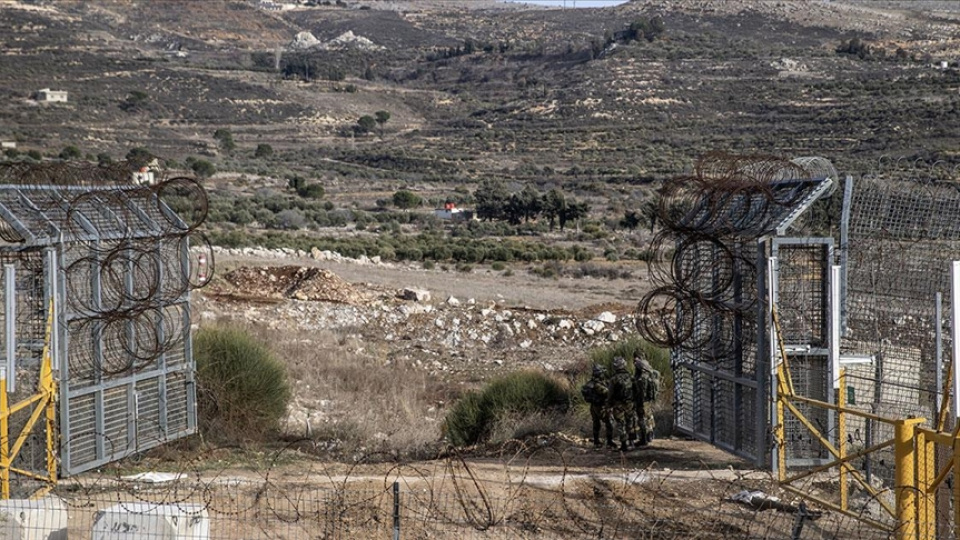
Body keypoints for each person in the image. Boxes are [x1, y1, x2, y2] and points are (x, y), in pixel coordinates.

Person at [633, 351, 662, 446]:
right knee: (649, 416)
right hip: (648, 398)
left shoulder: (640, 369)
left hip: (642, 399)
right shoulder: (648, 368)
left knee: (641, 418)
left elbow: (640, 389)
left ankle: (644, 438)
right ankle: (650, 434)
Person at [581, 364, 613, 448]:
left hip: (593, 406)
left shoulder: (591, 382)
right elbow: (607, 393)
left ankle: (596, 441)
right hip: (600, 406)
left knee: (596, 423)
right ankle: (609, 442)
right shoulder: (597, 385)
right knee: (609, 422)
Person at [608, 356, 635, 452]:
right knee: (630, 421)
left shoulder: (613, 379)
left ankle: (624, 445)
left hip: (618, 404)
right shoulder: (630, 377)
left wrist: (609, 405)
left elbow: (610, 394)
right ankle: (632, 442)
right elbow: (636, 390)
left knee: (620, 423)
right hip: (630, 403)